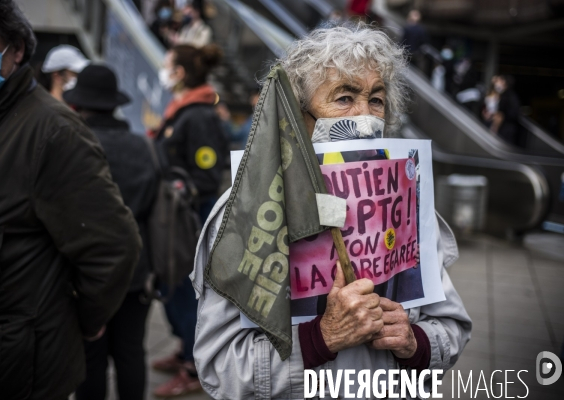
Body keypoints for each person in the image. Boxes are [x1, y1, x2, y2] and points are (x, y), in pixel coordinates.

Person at [191, 23, 472, 398]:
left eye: (376, 99)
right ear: (296, 114)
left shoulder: (409, 203)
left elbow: (451, 330)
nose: (364, 117)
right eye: (344, 97)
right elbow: (221, 367)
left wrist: (413, 342)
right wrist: (320, 338)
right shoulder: (246, 212)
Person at [0, 2, 142, 400]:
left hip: (16, 365)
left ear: (17, 50)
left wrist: (82, 320)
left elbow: (113, 245)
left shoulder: (52, 131)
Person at [64, 65, 158, 400]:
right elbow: (151, 204)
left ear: (79, 105)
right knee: (131, 351)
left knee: (90, 356)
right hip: (138, 267)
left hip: (86, 272)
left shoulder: (73, 143)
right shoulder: (143, 146)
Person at [151, 43, 227, 397]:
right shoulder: (184, 109)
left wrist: (180, 187)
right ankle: (185, 349)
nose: (165, 71)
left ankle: (195, 369)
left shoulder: (198, 115)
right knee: (174, 289)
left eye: (169, 65)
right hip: (176, 216)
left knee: (187, 292)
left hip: (189, 220)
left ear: (180, 73)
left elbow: (208, 175)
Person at [492, 75, 521, 145]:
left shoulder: (505, 96)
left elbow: (500, 114)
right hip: (512, 128)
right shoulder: (513, 96)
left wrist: (494, 127)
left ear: (504, 83)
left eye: (500, 81)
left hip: (505, 128)